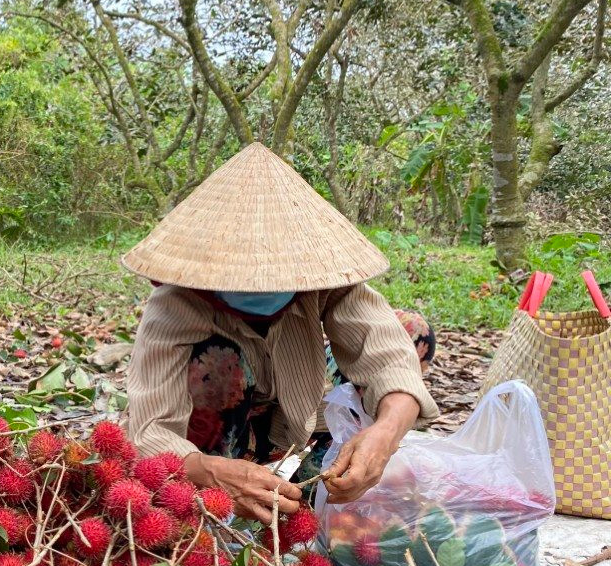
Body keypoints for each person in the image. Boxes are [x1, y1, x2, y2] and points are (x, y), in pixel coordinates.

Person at [123, 142, 437, 525]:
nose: (261, 283)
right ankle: (241, 472)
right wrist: (212, 474)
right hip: (218, 435)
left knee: (411, 330)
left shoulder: (322, 279)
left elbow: (386, 353)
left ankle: (312, 462)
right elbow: (150, 429)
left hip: (297, 409)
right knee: (219, 362)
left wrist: (385, 434)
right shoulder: (175, 303)